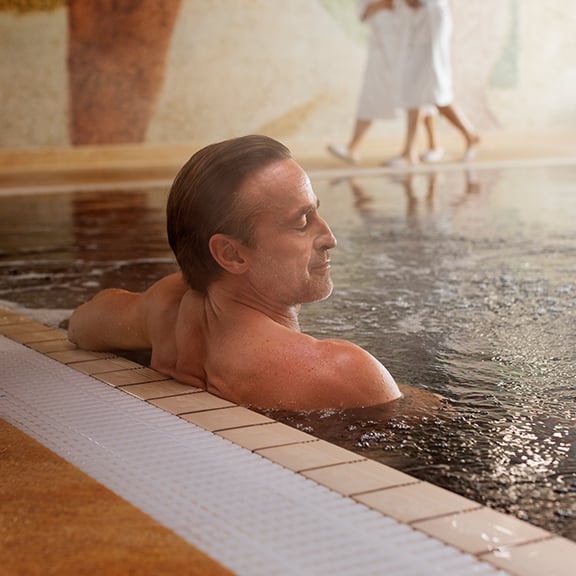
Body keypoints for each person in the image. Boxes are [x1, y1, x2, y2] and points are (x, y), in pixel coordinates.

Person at [68, 135, 402, 411]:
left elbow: (81, 324)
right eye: (302, 222)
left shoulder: (166, 310)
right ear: (231, 254)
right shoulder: (342, 372)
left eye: (317, 212)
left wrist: (165, 303)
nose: (330, 238)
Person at [327, 0, 443, 166]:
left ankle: (422, 149)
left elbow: (416, 4)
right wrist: (384, 4)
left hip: (411, 42)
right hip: (383, 47)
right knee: (372, 96)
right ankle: (354, 147)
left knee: (418, 95)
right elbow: (364, 12)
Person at [395, 0, 480, 165]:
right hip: (424, 20)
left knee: (431, 91)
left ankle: (410, 151)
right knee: (423, 90)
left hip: (431, 19)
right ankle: (464, 137)